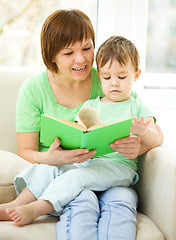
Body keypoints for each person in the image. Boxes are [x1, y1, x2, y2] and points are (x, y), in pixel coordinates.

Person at [0, 9, 163, 240]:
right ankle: (18, 204)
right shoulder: (36, 89)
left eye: (87, 48)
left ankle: (36, 208)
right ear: (52, 55)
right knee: (72, 189)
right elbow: (27, 150)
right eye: (69, 52)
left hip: (110, 170)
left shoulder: (108, 77)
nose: (81, 59)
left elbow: (153, 132)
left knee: (121, 200)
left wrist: (139, 146)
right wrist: (54, 157)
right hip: (73, 168)